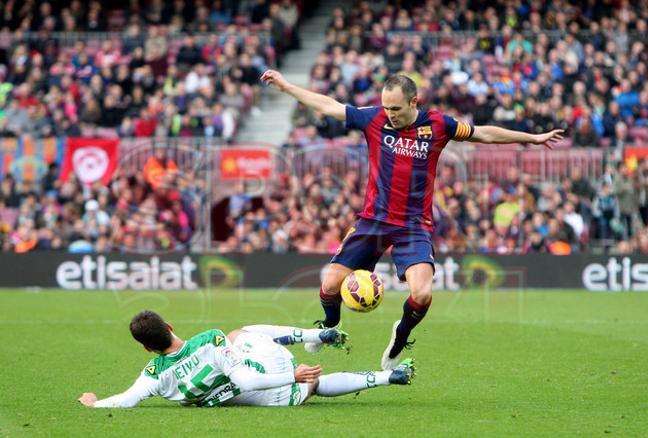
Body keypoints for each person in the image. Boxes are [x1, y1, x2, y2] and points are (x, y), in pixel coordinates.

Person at [260, 70, 564, 369]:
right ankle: (329, 325)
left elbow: (483, 132)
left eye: (395, 108)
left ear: (413, 102)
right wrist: (287, 87)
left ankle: (400, 335)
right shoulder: (374, 119)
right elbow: (328, 106)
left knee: (422, 293)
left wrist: (533, 139)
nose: (389, 113)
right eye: (386, 106)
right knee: (329, 284)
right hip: (373, 221)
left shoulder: (438, 125)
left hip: (413, 227)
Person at [78, 310, 415, 408]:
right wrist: (292, 375)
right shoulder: (209, 339)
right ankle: (314, 335)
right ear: (169, 325)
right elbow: (244, 379)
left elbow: (126, 400)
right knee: (240, 333)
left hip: (261, 396)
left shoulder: (154, 373)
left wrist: (94, 403)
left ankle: (387, 377)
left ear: (147, 348)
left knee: (316, 385)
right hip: (268, 376)